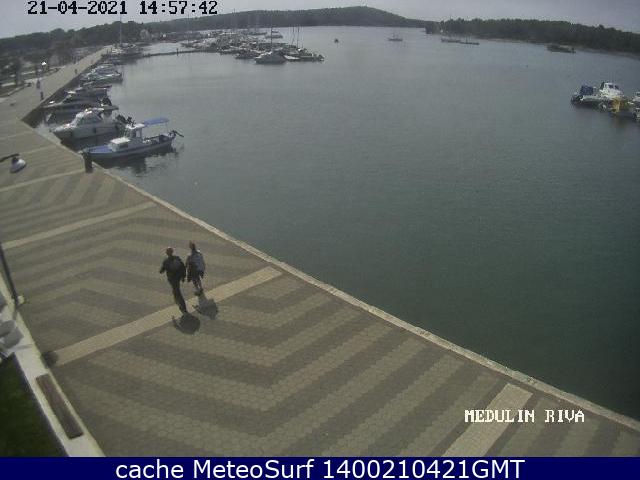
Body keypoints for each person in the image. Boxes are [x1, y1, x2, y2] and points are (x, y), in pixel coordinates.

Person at [159, 247, 187, 314]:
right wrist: (183, 276)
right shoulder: (177, 258)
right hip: (178, 277)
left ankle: (182, 307)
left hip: (172, 279)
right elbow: (183, 267)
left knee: (177, 292)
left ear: (167, 253)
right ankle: (179, 303)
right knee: (176, 290)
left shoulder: (166, 261)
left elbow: (161, 271)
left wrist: (161, 270)